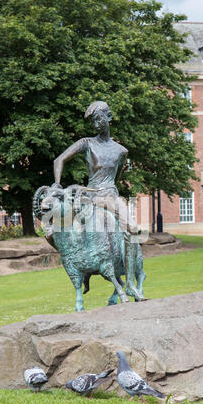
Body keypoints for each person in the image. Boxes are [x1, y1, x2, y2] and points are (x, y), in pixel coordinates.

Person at [53, 101, 144, 301]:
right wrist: (57, 185)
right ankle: (76, 264)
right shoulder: (86, 143)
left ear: (109, 117)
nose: (96, 124)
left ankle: (129, 284)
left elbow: (116, 177)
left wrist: (110, 192)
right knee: (57, 227)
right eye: (93, 121)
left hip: (109, 194)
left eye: (99, 119)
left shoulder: (121, 151)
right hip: (89, 195)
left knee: (132, 228)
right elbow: (58, 160)